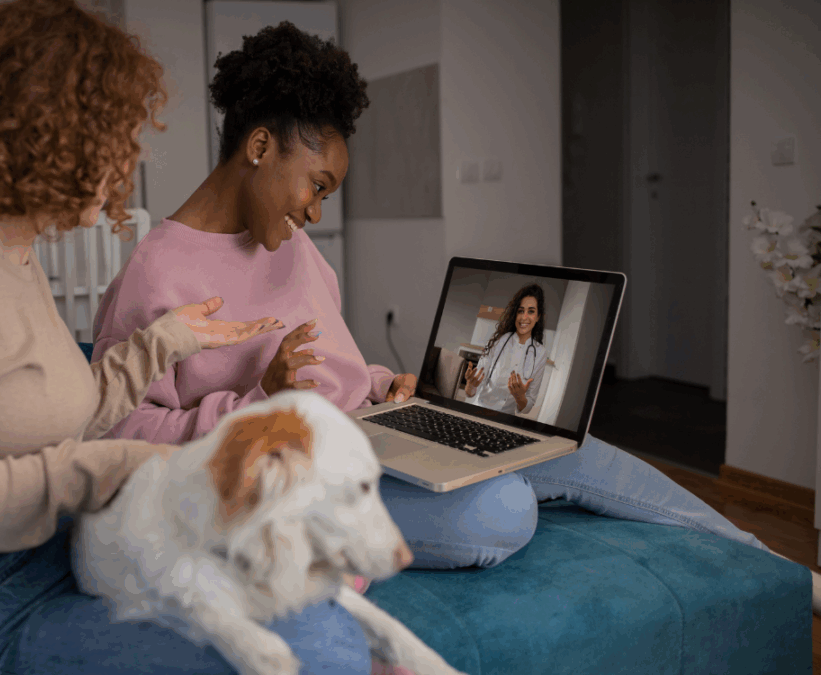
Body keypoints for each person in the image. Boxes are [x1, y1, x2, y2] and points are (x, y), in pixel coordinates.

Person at [92, 20, 821, 614]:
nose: (315, 210)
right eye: (315, 184)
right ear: (258, 146)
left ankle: (781, 568)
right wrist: (260, 402)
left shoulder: (301, 251)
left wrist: (384, 386)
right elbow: (120, 436)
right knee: (500, 509)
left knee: (554, 442)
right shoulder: (154, 274)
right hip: (296, 480)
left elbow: (339, 368)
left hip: (373, 435)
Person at [0, 2, 376, 674]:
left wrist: (160, 343)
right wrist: (102, 469)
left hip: (57, 552)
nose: (129, 159)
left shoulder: (12, 255)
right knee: (319, 642)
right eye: (115, 135)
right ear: (47, 132)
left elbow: (64, 410)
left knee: (306, 596)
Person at [461, 284, 549, 415]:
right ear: (515, 314)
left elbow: (527, 407)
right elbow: (470, 393)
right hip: (480, 410)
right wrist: (469, 384)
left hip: (506, 419)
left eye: (531, 311)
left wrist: (520, 397)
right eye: (520, 311)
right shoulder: (498, 341)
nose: (524, 317)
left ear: (538, 317)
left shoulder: (540, 353)